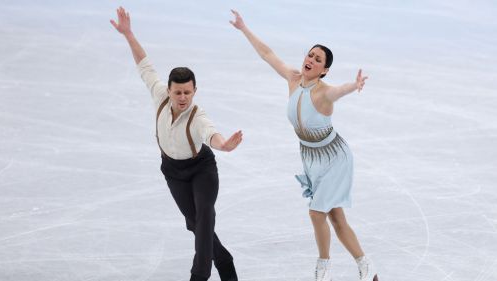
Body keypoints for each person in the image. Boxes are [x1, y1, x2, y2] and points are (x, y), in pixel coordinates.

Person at [230, 10, 378, 281]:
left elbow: (338, 91)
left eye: (317, 59)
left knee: (316, 212)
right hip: (311, 158)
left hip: (334, 157)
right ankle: (366, 266)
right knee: (335, 217)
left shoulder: (324, 93)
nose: (311, 59)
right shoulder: (292, 78)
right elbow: (267, 54)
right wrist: (244, 28)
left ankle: (323, 268)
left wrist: (353, 85)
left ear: (325, 70)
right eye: (310, 54)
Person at [110, 7, 242, 281]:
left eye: (188, 92)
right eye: (178, 92)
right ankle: (226, 263)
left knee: (204, 218)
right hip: (173, 172)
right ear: (169, 90)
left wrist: (224, 145)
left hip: (202, 170)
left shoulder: (197, 116)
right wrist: (129, 34)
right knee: (195, 224)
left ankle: (199, 276)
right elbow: (144, 65)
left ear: (195, 91)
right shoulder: (159, 96)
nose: (183, 97)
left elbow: (210, 134)